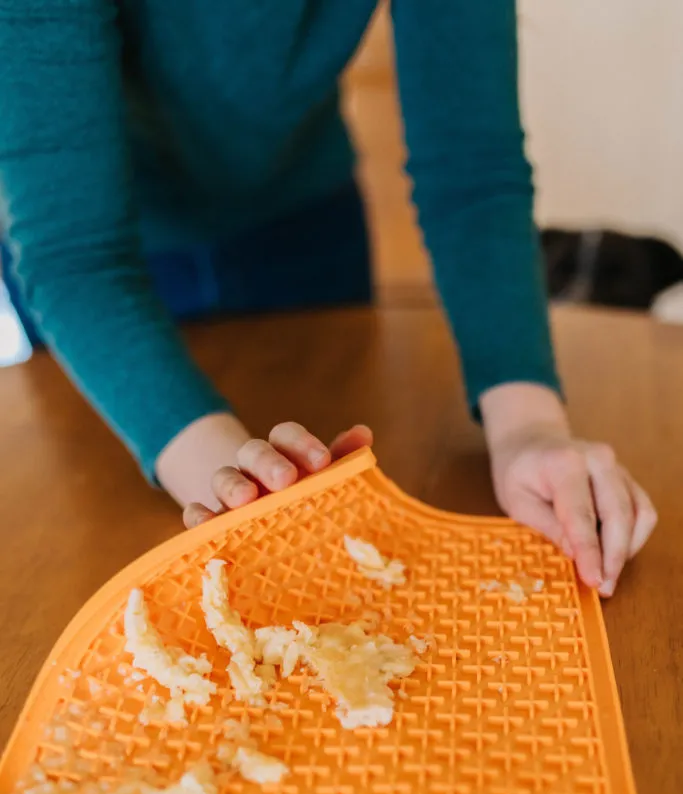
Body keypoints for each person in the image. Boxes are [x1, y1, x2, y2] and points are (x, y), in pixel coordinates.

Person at [0, 2, 656, 597]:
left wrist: (529, 429)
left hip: (305, 220)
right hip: (98, 268)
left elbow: (474, 176)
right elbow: (77, 252)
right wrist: (233, 486)